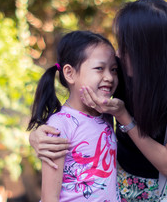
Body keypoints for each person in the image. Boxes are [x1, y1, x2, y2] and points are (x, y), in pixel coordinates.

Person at [29, 0, 167, 202]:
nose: (118, 54)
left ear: (148, 51)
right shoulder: (119, 72)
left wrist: (123, 115)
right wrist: (38, 136)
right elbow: (77, 115)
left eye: (126, 46)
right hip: (127, 189)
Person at [27, 30, 121, 202]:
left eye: (113, 69)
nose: (109, 77)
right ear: (69, 73)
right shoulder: (60, 125)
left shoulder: (106, 116)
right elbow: (49, 198)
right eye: (99, 68)